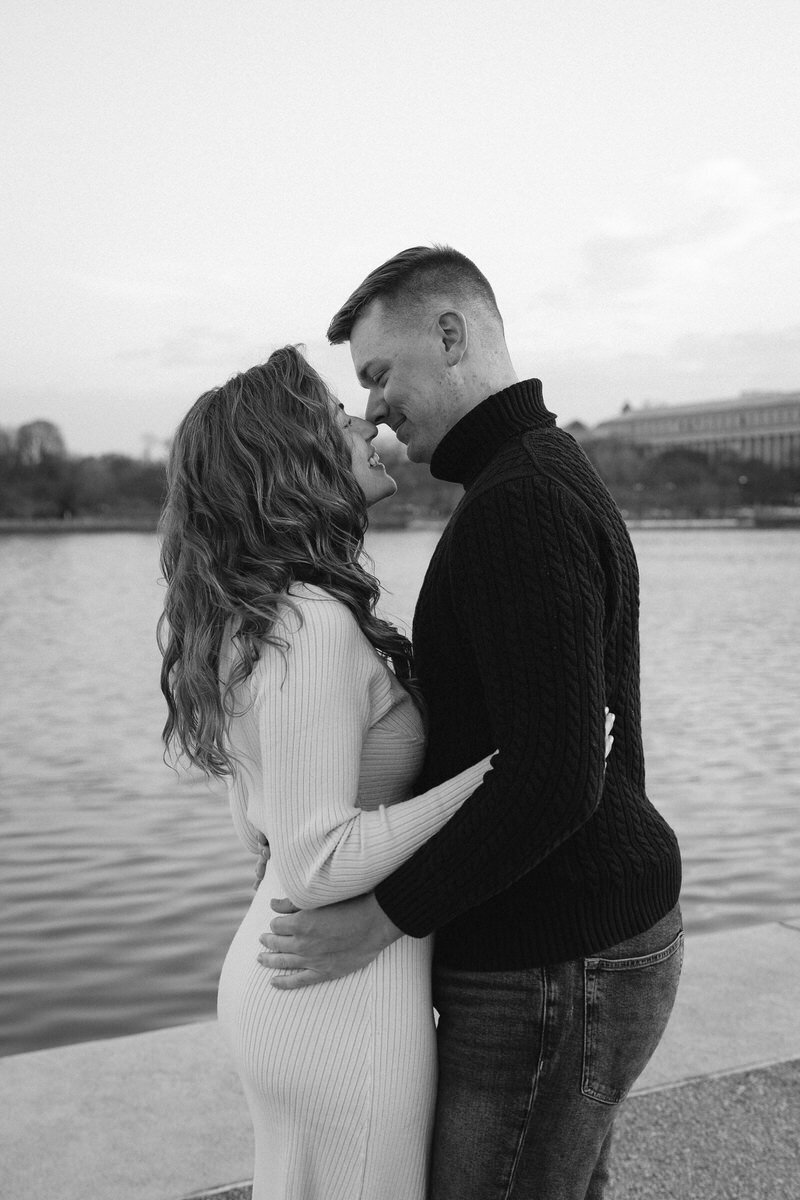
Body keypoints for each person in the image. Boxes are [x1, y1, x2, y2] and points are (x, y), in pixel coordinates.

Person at [259, 247, 683, 1199]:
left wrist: (379, 921)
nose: (372, 406)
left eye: (378, 374)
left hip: (556, 958)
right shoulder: (530, 476)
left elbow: (553, 775)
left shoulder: (520, 503)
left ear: (450, 336)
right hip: (572, 945)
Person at [158, 346, 515, 1200]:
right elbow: (315, 862)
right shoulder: (308, 623)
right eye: (332, 417)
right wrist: (495, 776)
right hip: (336, 1004)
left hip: (295, 985)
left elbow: (262, 831)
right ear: (289, 462)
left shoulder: (264, 616)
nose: (364, 419)